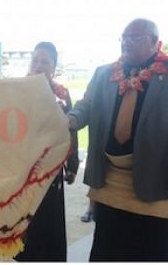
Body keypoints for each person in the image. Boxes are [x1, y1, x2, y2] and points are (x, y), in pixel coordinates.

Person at [68, 18, 168, 261]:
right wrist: (69, 120)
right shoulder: (104, 73)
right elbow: (86, 106)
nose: (126, 42)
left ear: (154, 42)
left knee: (150, 251)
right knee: (107, 249)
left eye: (135, 38)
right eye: (123, 37)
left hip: (156, 182)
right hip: (110, 182)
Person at [14, 42, 79, 262]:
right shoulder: (15, 91)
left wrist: (72, 164)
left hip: (52, 173)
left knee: (49, 222)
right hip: (24, 173)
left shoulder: (62, 94)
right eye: (35, 60)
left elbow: (71, 130)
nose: (38, 65)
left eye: (45, 61)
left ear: (54, 67)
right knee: (25, 225)